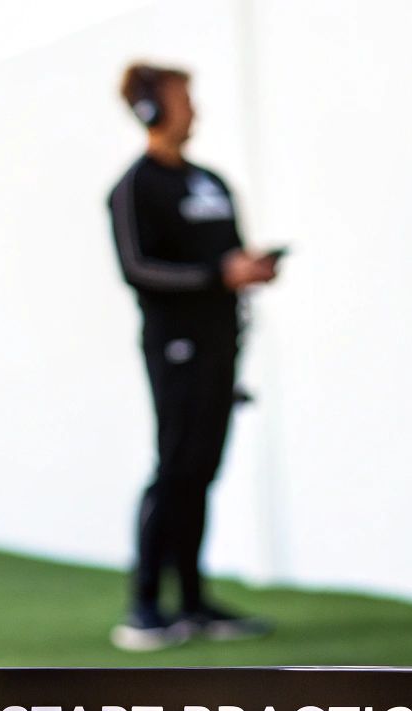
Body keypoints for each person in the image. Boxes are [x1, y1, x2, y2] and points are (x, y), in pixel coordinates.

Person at [107, 62, 280, 652]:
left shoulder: (211, 181)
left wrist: (249, 267)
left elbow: (225, 256)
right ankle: (145, 607)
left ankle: (195, 603)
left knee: (202, 473)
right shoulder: (133, 187)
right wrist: (216, 274)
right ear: (151, 110)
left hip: (220, 346)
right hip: (175, 349)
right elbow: (138, 269)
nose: (195, 111)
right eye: (184, 100)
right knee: (175, 468)